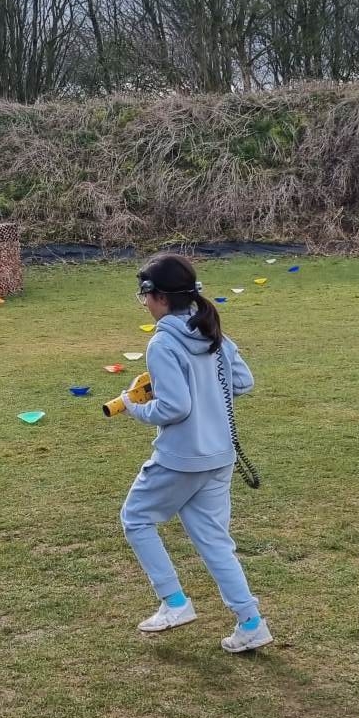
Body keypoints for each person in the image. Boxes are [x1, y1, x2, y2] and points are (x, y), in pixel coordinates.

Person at [119, 253, 272, 653]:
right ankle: (251, 622)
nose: (144, 304)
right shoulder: (210, 329)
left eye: (144, 296)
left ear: (158, 297)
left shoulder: (162, 342)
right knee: (215, 541)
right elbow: (243, 381)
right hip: (219, 456)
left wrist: (134, 408)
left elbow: (174, 407)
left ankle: (174, 602)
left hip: (181, 459)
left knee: (135, 519)